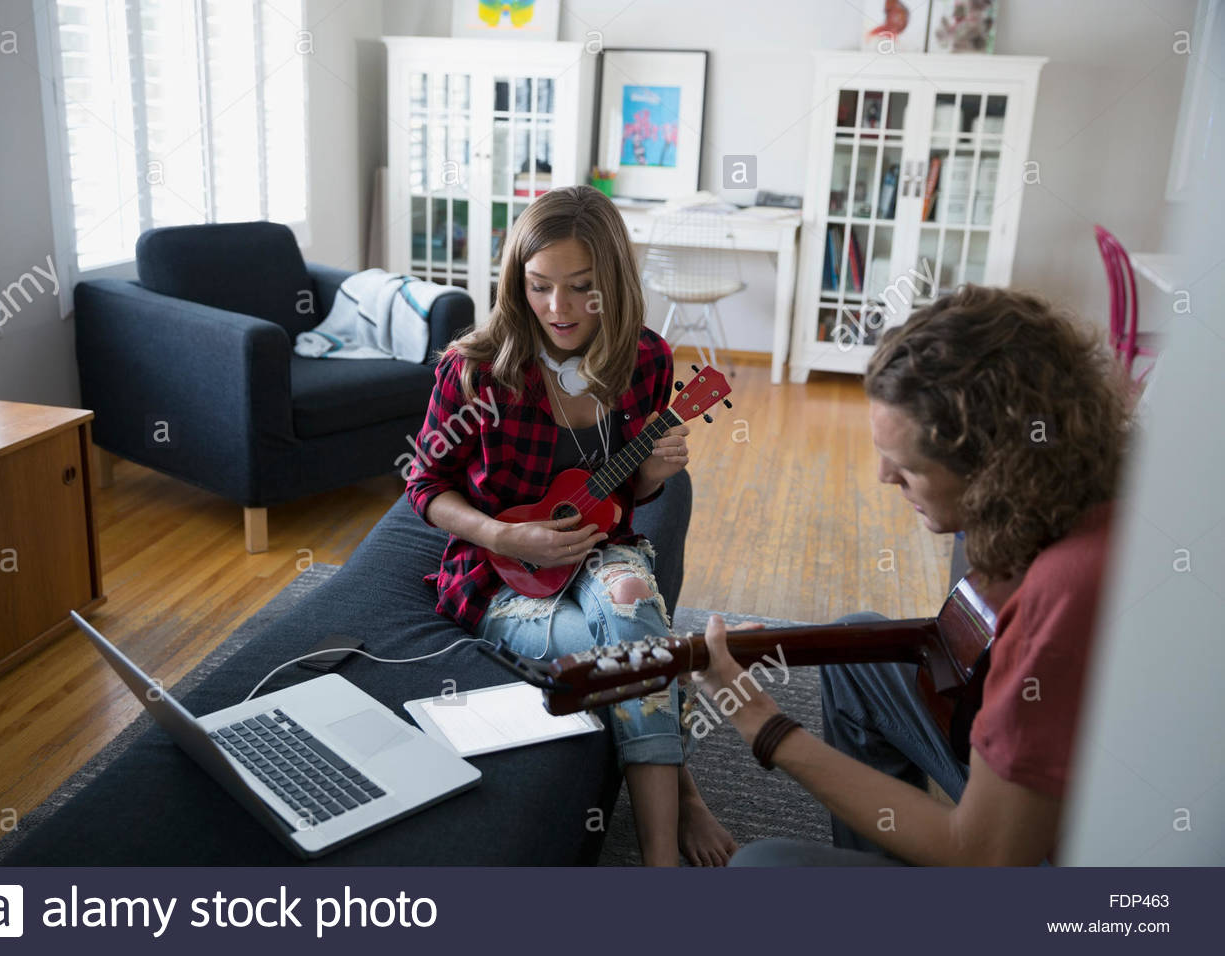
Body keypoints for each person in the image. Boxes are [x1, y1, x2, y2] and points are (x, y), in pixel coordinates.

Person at [694, 285, 1130, 866]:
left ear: (995, 466)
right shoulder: (1082, 487)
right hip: (1052, 794)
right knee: (856, 654)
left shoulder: (1065, 590)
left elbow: (983, 854)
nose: (882, 477)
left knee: (758, 869)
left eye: (907, 466)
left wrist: (760, 722)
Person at [405, 185, 736, 867]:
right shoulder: (475, 369)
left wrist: (653, 471)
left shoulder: (645, 359)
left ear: (610, 283)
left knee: (631, 607)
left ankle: (657, 861)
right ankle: (684, 799)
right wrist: (501, 535)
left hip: (603, 552)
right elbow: (423, 483)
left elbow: (628, 499)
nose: (557, 309)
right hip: (502, 575)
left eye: (581, 288)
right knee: (631, 646)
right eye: (538, 286)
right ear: (515, 281)